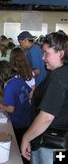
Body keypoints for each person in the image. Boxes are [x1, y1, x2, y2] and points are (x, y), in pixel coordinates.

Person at [21, 31, 68, 164]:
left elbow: (47, 117)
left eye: (46, 53)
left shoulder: (57, 77)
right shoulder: (63, 72)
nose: (42, 58)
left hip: (50, 142)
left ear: (61, 53)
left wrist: (26, 137)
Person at [0, 60, 32, 150]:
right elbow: (30, 93)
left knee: (19, 145)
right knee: (26, 143)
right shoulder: (19, 80)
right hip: (27, 117)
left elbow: (11, 109)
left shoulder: (9, 87)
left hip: (18, 122)